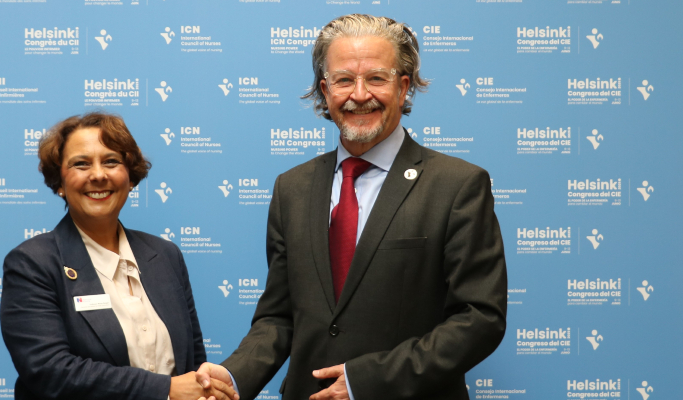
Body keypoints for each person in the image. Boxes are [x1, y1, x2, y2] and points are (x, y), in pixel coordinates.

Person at [196, 14, 507, 400]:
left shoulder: (457, 185)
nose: (360, 95)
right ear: (325, 91)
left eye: (377, 78)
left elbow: (479, 319)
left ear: (403, 86)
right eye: (344, 80)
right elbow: (279, 318)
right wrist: (233, 376)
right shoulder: (291, 188)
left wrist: (367, 380)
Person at [0, 112, 237, 400]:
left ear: (131, 177)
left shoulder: (165, 255)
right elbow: (49, 371)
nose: (98, 175)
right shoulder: (32, 263)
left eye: (111, 161)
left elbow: (194, 363)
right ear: (59, 182)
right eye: (81, 164)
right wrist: (167, 390)